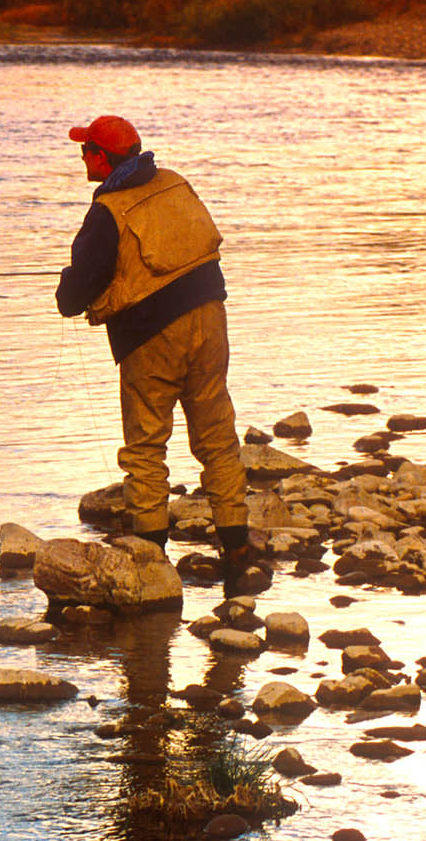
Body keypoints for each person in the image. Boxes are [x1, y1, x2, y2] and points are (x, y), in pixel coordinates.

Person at [54, 115, 263, 595]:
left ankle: (153, 565)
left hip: (151, 337)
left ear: (104, 158)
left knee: (146, 446)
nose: (83, 158)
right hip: (211, 320)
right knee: (216, 436)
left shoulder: (107, 210)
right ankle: (237, 549)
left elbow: (75, 294)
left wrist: (65, 291)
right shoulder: (175, 183)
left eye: (87, 150)